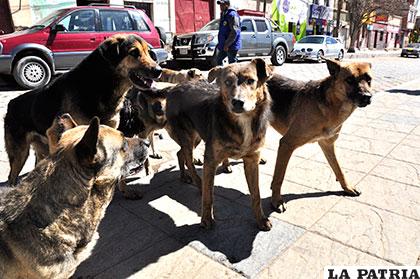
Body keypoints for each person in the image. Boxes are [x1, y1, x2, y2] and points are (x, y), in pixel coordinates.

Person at [216, 0, 241, 65]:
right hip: (224, 45)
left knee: (232, 64)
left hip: (231, 45)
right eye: (220, 5)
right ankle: (222, 75)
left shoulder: (232, 14)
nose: (220, 7)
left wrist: (227, 44)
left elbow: (234, 31)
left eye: (222, 5)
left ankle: (234, 75)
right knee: (218, 60)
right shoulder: (223, 14)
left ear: (227, 5)